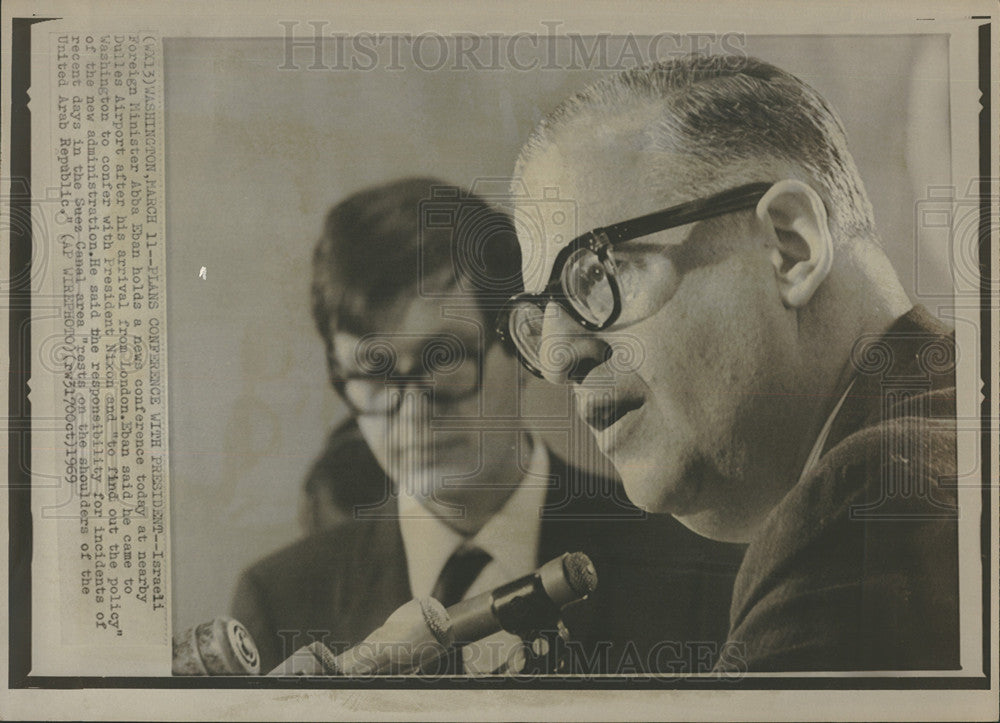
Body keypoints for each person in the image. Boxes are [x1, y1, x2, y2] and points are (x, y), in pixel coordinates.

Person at [496, 55, 959, 672]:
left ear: (790, 246)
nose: (558, 357)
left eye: (596, 274)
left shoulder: (871, 501)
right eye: (539, 317)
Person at [232, 177, 745, 675]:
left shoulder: (696, 563)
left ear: (525, 348)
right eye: (375, 372)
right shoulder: (279, 600)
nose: (413, 411)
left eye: (446, 356)